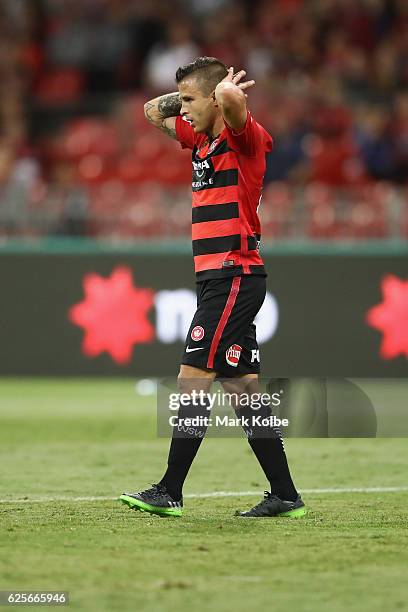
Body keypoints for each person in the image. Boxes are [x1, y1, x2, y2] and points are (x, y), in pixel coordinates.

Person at [120, 57, 305, 518]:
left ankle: (170, 490)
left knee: (191, 379)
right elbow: (150, 111)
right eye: (180, 100)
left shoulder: (245, 140)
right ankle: (285, 495)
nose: (181, 109)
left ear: (215, 99)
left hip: (232, 275)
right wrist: (191, 97)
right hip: (219, 278)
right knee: (242, 390)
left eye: (188, 100)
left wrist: (221, 91)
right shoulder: (200, 140)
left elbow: (228, 102)